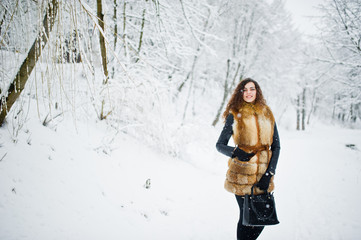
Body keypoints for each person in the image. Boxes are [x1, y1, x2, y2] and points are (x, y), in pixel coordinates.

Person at [216, 78, 280, 240]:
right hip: (242, 175)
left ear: (257, 91)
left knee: (261, 219)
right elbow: (220, 145)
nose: (249, 92)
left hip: (263, 177)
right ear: (241, 92)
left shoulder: (267, 113)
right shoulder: (235, 114)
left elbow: (276, 146)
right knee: (246, 218)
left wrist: (269, 173)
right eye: (245, 89)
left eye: (252, 89)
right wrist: (237, 152)